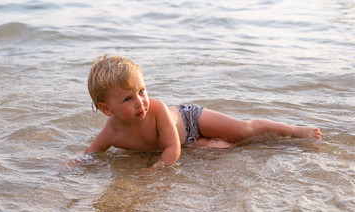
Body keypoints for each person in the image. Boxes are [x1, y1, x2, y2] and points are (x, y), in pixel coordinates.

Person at [82, 54, 322, 169]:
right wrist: (74, 163)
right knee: (217, 151)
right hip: (187, 142)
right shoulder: (111, 132)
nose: (140, 101)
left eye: (142, 91)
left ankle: (293, 130)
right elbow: (91, 153)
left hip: (190, 120)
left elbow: (171, 148)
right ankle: (208, 144)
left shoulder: (157, 109)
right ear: (106, 109)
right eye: (127, 98)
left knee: (242, 130)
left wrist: (158, 168)